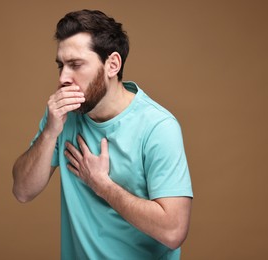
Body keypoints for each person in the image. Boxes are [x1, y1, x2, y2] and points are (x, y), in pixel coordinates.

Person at [12, 9, 193, 260]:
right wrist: (49, 133)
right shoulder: (62, 115)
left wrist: (103, 185)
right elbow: (22, 190)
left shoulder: (158, 127)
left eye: (75, 65)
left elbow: (173, 231)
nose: (64, 77)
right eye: (61, 66)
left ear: (113, 64)